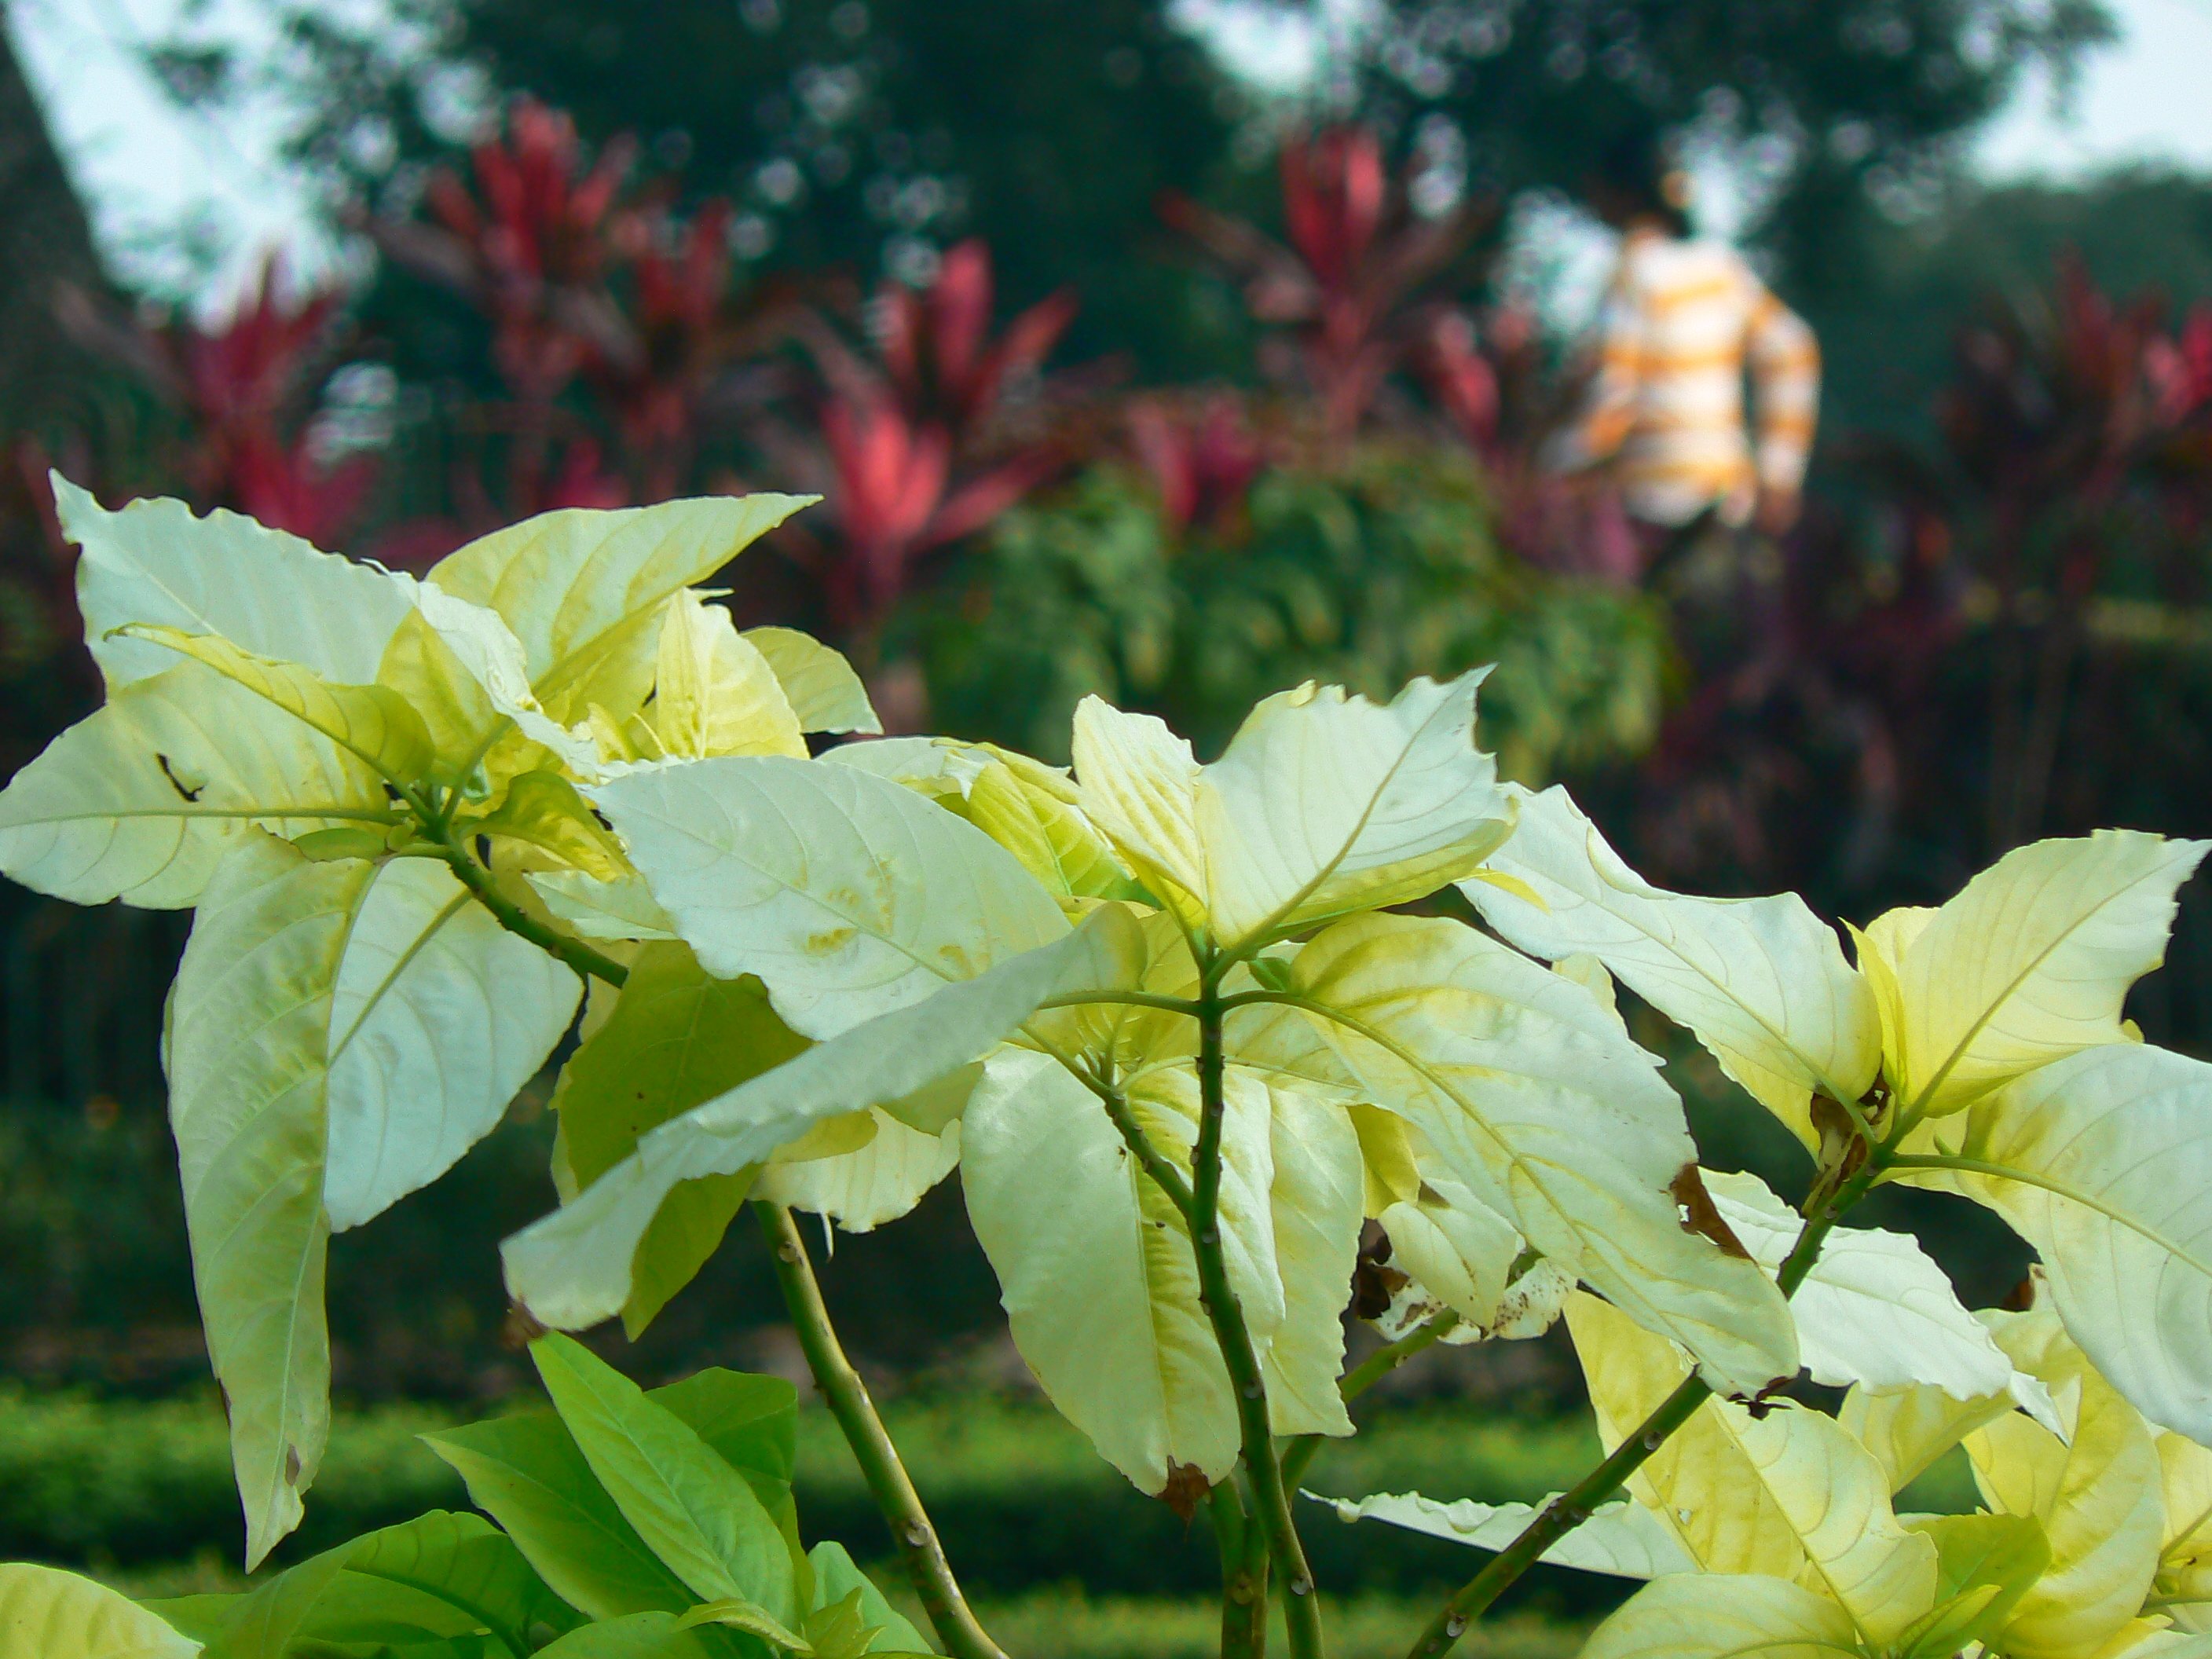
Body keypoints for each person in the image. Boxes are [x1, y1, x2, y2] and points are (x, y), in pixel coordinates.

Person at [1542, 129, 1819, 579]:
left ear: (1617, 196)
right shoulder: (1721, 269)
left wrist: (1558, 467)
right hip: (1728, 509)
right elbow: (1793, 349)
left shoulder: (1632, 272)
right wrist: (1779, 475)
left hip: (1649, 515)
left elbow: (1613, 390)